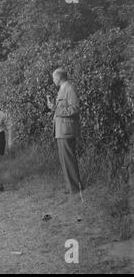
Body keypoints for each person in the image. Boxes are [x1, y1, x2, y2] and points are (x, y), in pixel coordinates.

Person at [47, 68, 84, 197]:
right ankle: (71, 186)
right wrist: (54, 108)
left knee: (68, 158)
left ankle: (75, 187)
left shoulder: (69, 89)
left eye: (53, 78)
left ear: (59, 78)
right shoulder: (63, 89)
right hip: (61, 130)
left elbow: (75, 108)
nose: (53, 81)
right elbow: (62, 109)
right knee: (64, 159)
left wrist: (56, 110)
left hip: (66, 130)